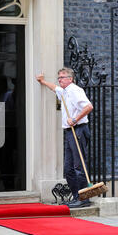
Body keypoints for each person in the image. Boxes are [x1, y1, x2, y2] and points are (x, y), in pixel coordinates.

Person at [36, 68, 93, 208]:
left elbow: (88, 107)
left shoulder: (75, 91)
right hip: (69, 131)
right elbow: (54, 88)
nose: (59, 79)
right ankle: (76, 197)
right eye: (59, 77)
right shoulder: (64, 91)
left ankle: (84, 198)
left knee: (78, 166)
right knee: (68, 168)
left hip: (78, 129)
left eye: (62, 77)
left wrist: (74, 119)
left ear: (70, 79)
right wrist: (42, 81)